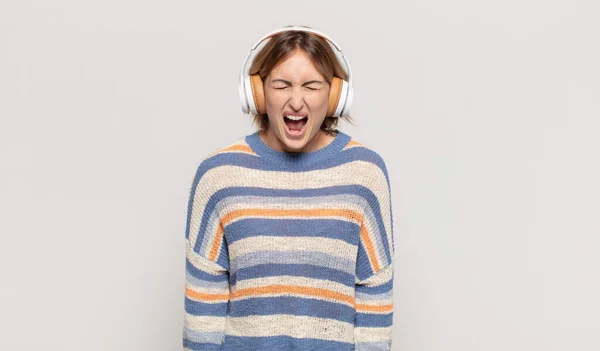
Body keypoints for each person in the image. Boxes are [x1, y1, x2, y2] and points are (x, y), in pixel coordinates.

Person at [182, 25, 395, 350]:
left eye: (312, 86)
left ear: (335, 96)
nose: (296, 101)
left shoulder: (364, 173)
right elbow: (203, 313)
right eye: (281, 85)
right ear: (258, 92)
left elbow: (375, 297)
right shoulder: (218, 176)